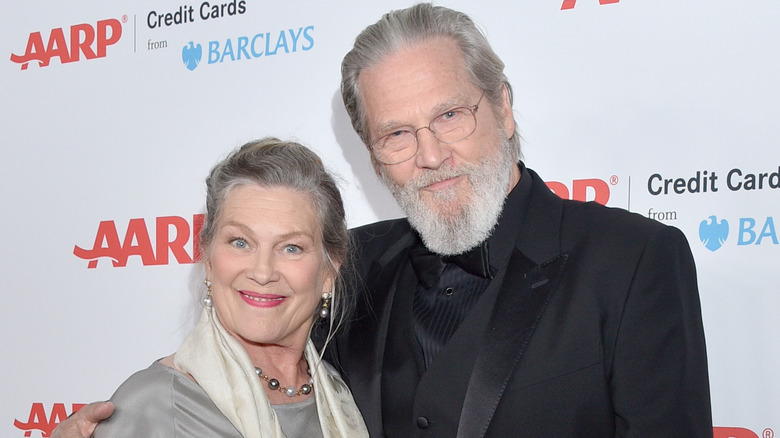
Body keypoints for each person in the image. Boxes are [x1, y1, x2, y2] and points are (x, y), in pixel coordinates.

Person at [54, 3, 712, 437]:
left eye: (450, 115)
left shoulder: (631, 260)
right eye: (396, 133)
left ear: (504, 108)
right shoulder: (345, 264)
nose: (431, 155)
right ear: (371, 154)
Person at [90, 138, 368, 437]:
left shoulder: (339, 394)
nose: (262, 272)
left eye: (291, 248)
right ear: (208, 258)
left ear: (329, 270)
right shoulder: (155, 406)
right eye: (240, 242)